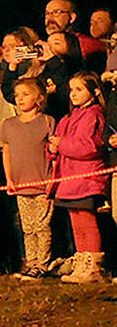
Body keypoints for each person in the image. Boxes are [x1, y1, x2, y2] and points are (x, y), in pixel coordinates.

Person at [49, 73, 109, 284]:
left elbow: (89, 147)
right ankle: (82, 260)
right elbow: (59, 143)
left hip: (85, 178)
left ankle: (93, 265)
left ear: (94, 92)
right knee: (76, 222)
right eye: (71, 89)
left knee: (86, 221)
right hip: (69, 179)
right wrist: (53, 149)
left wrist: (62, 145)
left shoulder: (93, 115)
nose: (73, 94)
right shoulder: (69, 117)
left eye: (79, 89)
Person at [0, 77, 55, 279]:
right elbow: (7, 152)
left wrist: (53, 179)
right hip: (21, 184)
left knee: (42, 226)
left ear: (38, 98)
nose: (20, 99)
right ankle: (30, 263)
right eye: (18, 95)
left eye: (26, 94)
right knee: (27, 227)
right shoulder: (9, 124)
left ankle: (43, 263)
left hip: (42, 182)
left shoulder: (47, 122)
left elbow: (53, 153)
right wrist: (9, 179)